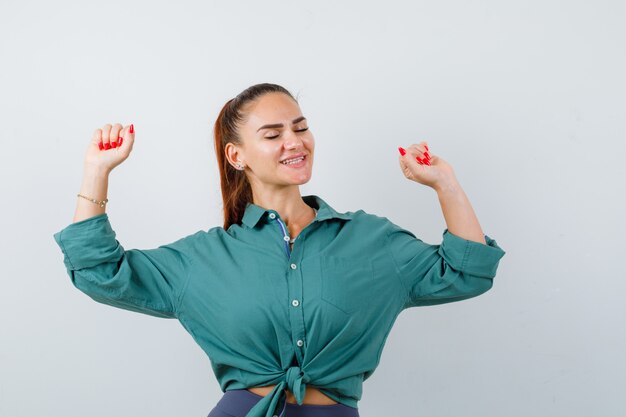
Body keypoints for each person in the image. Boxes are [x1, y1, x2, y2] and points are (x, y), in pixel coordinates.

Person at [53, 82, 506, 417]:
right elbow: (99, 273)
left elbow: (466, 272)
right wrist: (97, 171)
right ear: (238, 156)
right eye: (272, 135)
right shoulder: (203, 260)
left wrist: (444, 183)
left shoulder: (373, 241)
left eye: (301, 127)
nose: (295, 142)